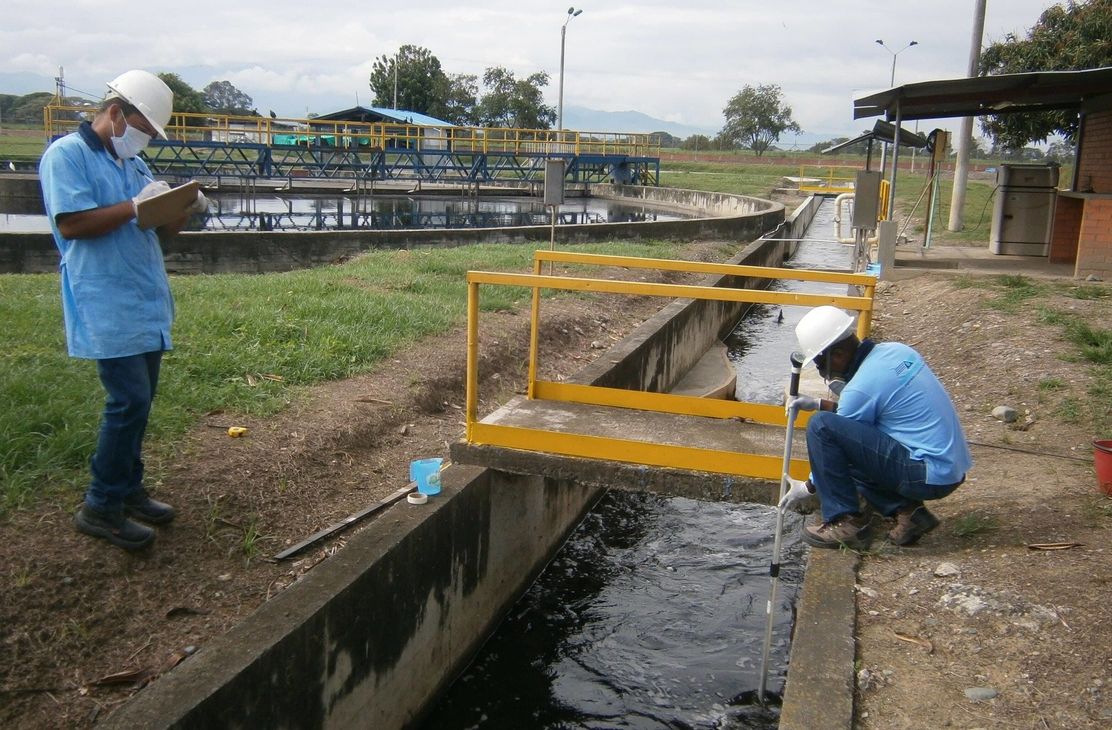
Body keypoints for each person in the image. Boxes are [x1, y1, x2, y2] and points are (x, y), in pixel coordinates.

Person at [39, 70, 205, 551]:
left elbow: (157, 228)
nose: (145, 141)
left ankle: (129, 489)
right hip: (106, 299)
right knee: (128, 400)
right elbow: (70, 224)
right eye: (144, 129)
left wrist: (183, 207)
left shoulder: (133, 166)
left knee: (141, 401)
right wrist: (135, 207)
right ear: (116, 113)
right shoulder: (66, 157)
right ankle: (101, 505)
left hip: (144, 299)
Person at [779, 306, 972, 549]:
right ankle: (910, 515)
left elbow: (839, 437)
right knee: (847, 442)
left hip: (927, 474)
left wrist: (807, 487)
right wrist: (819, 403)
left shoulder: (860, 388)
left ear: (837, 354)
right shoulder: (896, 351)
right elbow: (862, 420)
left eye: (819, 364)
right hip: (949, 467)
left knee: (821, 427)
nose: (822, 372)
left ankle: (844, 521)